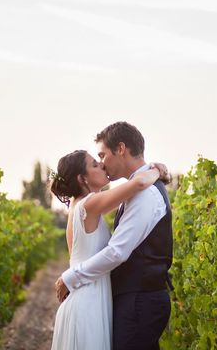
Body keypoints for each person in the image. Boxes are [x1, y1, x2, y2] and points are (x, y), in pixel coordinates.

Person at [55, 122, 173, 350]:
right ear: (82, 179)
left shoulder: (144, 193)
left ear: (120, 149)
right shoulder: (95, 202)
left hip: (137, 301)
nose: (101, 163)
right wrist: (158, 170)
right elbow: (138, 182)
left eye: (102, 155)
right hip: (100, 299)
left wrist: (71, 277)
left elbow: (117, 251)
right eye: (95, 162)